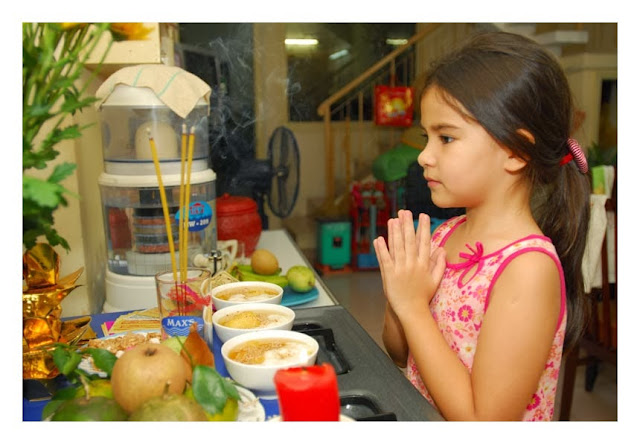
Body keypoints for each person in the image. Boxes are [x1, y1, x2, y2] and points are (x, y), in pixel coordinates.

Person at [373, 31, 591, 421]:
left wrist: (413, 307)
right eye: (428, 136)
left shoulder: (527, 269)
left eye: (446, 137)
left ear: (515, 151)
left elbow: (484, 421)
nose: (424, 155)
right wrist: (400, 294)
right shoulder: (445, 234)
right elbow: (400, 352)